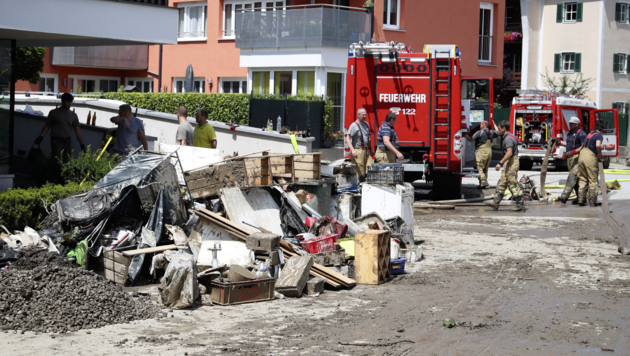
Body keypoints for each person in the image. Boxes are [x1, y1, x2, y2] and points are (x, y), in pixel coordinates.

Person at [34, 92, 85, 159]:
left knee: (68, 160)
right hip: (56, 140)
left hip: (67, 141)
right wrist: (41, 137)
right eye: (67, 101)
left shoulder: (73, 115)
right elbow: (47, 125)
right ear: (62, 101)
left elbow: (77, 130)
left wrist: (82, 145)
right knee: (57, 160)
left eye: (71, 102)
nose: (69, 104)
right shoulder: (54, 112)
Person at [488, 120, 525, 212]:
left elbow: (509, 153)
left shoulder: (508, 139)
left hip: (511, 162)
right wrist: (494, 124)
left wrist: (500, 163)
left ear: (504, 128)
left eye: (499, 128)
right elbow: (498, 130)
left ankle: (520, 205)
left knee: (512, 183)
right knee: (503, 182)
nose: (498, 130)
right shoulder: (509, 136)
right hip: (509, 162)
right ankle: (496, 203)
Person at [556, 117, 587, 204]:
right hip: (570, 157)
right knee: (576, 179)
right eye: (569, 123)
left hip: (577, 157)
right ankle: (580, 199)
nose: (570, 125)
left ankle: (564, 196)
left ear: (577, 124)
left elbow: (583, 146)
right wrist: (559, 142)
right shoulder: (570, 133)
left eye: (572, 123)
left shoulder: (581, 134)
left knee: (572, 176)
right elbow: (568, 143)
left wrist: (574, 152)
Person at [577, 122, 604, 206]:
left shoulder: (589, 134)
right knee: (593, 179)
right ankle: (592, 201)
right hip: (590, 157)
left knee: (583, 179)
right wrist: (599, 155)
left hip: (581, 156)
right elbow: (598, 145)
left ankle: (581, 200)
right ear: (601, 130)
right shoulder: (599, 135)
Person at [464, 120, 497, 188]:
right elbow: (498, 132)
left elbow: (471, 139)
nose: (480, 126)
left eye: (480, 125)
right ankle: (484, 183)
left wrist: (465, 135)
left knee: (478, 167)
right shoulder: (491, 132)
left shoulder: (480, 132)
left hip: (481, 151)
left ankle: (483, 182)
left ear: (482, 125)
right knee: (485, 168)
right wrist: (494, 124)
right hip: (489, 152)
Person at [345, 108, 374, 181]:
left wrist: (371, 149)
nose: (364, 116)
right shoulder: (354, 125)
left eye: (365, 115)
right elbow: (347, 138)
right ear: (358, 115)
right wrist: (353, 150)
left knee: (370, 168)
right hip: (358, 150)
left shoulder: (366, 124)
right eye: (363, 115)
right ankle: (358, 187)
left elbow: (368, 138)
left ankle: (367, 187)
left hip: (366, 150)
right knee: (360, 173)